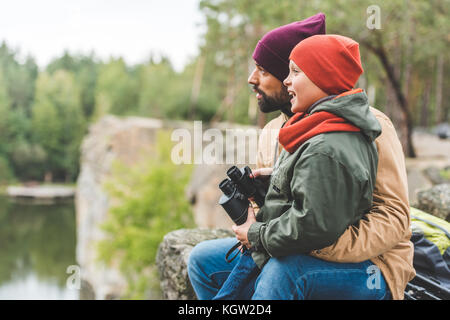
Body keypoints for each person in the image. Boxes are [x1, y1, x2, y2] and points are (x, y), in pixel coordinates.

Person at [188, 14, 415, 300]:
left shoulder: (370, 126)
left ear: (310, 74)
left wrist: (314, 244)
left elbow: (393, 218)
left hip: (371, 265)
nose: (252, 79)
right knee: (202, 261)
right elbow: (282, 218)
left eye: (264, 70)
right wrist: (267, 199)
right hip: (294, 244)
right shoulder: (275, 132)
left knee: (284, 271)